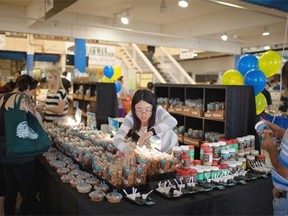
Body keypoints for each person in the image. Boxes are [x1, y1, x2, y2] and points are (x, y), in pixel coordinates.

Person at [0, 75, 39, 215]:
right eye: (32, 91)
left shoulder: (3, 98)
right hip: (21, 153)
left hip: (5, 151)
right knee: (29, 192)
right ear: (27, 87)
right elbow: (36, 123)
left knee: (11, 189)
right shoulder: (22, 99)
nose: (32, 94)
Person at [113, 89, 178, 164]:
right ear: (134, 109)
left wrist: (151, 132)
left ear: (153, 108)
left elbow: (173, 121)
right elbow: (117, 138)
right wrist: (126, 150)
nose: (143, 114)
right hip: (155, 152)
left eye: (147, 110)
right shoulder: (131, 117)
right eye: (139, 110)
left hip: (171, 149)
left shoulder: (158, 111)